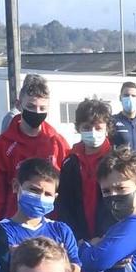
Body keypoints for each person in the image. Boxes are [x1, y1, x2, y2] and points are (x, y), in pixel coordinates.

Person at [0, 158, 82, 272]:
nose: (40, 197)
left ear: (55, 197)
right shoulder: (0, 231)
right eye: (33, 190)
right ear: (16, 186)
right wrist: (58, 256)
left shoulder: (61, 230)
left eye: (47, 194)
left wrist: (22, 253)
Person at [0, 75, 70, 220]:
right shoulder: (4, 144)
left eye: (42, 108)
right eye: (30, 106)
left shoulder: (57, 143)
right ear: (18, 105)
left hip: (49, 222)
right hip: (14, 221)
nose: (36, 112)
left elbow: (67, 188)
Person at [52, 97, 112, 239]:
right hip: (78, 240)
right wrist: (74, 239)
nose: (93, 132)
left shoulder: (116, 160)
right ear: (78, 128)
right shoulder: (70, 162)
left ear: (107, 129)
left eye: (98, 128)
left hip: (109, 237)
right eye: (86, 128)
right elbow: (64, 205)